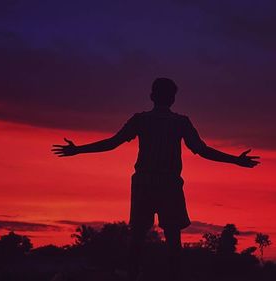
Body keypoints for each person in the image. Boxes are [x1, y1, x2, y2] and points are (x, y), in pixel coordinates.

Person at [52, 78, 259, 280]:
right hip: (168, 185)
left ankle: (134, 276)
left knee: (138, 239)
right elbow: (202, 150)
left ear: (152, 96)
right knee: (171, 240)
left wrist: (78, 150)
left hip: (146, 184)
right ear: (173, 99)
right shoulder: (179, 122)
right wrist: (235, 161)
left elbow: (112, 143)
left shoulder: (142, 120)